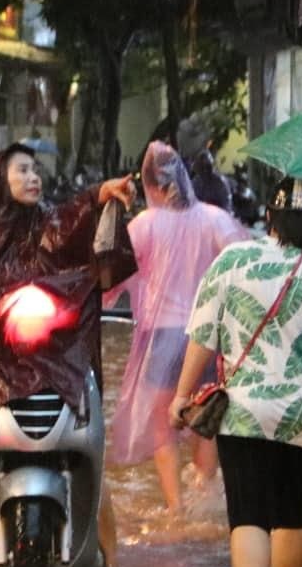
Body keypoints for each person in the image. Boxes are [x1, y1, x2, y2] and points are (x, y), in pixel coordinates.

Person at [0, 145, 137, 567]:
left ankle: (115, 564)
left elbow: (78, 219)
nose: (32, 177)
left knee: (94, 466)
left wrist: (103, 192)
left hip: (59, 366)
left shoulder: (52, 227)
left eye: (35, 169)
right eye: (21, 170)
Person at [172, 177, 302, 567]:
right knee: (292, 513)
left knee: (248, 512)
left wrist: (180, 395)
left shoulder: (234, 258)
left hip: (244, 410)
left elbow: (203, 333)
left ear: (269, 216)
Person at [104, 142, 248, 511]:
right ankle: (207, 496)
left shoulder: (145, 225)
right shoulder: (216, 219)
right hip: (208, 337)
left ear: (150, 185)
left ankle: (177, 508)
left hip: (163, 338)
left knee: (162, 423)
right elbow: (243, 266)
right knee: (206, 416)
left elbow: (110, 275)